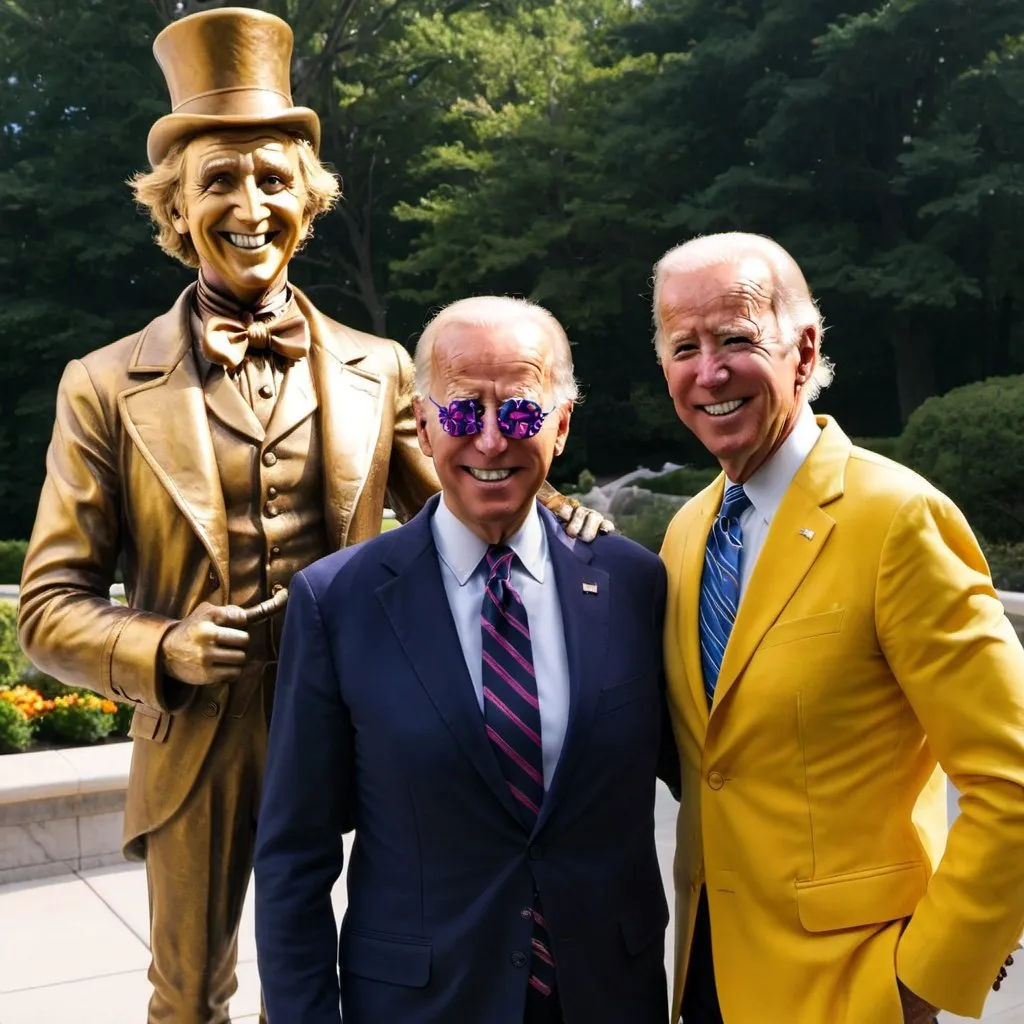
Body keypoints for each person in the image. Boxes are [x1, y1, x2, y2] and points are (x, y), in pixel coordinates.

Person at [15, 10, 597, 1023]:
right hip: (203, 737)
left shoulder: (381, 369)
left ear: (308, 200)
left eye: (272, 179)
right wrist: (163, 646)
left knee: (399, 960)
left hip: (370, 721)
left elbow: (475, 492)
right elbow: (47, 608)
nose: (250, 204)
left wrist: (563, 516)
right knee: (188, 993)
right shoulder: (104, 385)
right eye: (220, 182)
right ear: (176, 210)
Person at [254, 296, 675, 1024]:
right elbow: (294, 855)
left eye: (517, 413)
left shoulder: (635, 583)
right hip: (421, 1005)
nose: (488, 441)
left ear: (562, 424)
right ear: (423, 425)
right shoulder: (338, 602)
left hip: (610, 996)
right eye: (459, 414)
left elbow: (716, 779)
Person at [653, 231, 1024, 1023]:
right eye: (684, 346)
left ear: (803, 347)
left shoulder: (899, 519)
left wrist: (926, 975)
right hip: (709, 978)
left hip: (854, 991)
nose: (709, 371)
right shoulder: (685, 533)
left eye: (736, 339)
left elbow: (1012, 781)